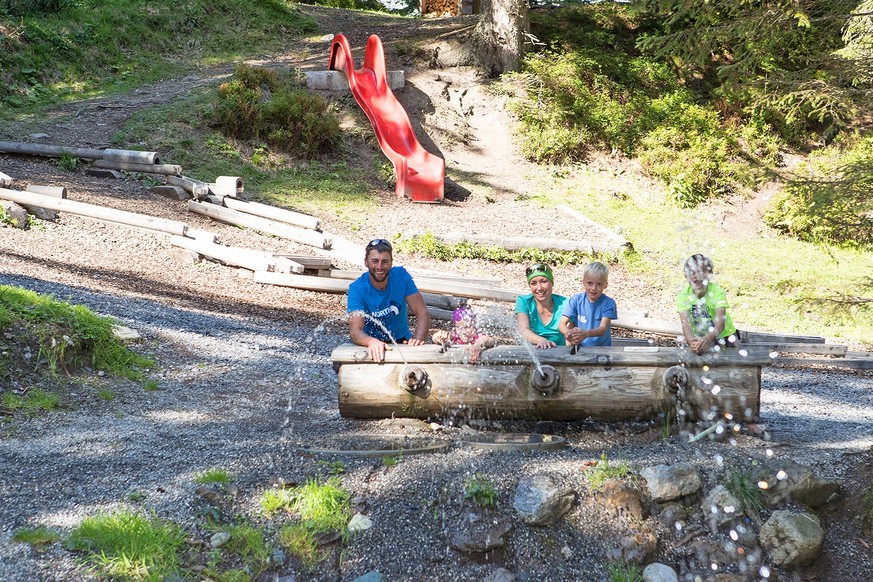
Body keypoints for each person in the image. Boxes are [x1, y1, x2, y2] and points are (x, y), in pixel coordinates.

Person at [347, 238, 430, 363]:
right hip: (370, 342)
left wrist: (418, 340)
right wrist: (371, 342)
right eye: (375, 261)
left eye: (384, 261)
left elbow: (422, 312)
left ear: (391, 263)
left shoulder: (401, 276)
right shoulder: (357, 289)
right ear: (366, 262)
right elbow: (355, 331)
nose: (380, 267)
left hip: (402, 341)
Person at [677, 254, 740, 355]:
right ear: (686, 276)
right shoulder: (683, 296)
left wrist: (707, 339)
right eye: (691, 273)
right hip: (701, 339)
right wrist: (692, 342)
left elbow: (720, 325)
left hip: (725, 338)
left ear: (709, 275)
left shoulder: (717, 292)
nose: (696, 277)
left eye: (701, 272)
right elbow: (686, 325)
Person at [559, 261, 617, 348]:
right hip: (579, 348)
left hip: (602, 349)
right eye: (590, 283)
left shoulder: (608, 303)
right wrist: (568, 332)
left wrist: (586, 333)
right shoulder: (575, 300)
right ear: (583, 282)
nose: (593, 288)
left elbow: (602, 329)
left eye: (599, 284)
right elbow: (562, 324)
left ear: (605, 285)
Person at [515, 263, 568, 348]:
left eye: (543, 281)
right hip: (535, 352)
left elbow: (569, 340)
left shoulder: (566, 303)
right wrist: (540, 340)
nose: (539, 288)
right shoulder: (524, 301)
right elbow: (523, 330)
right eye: (533, 283)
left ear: (552, 283)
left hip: (561, 353)